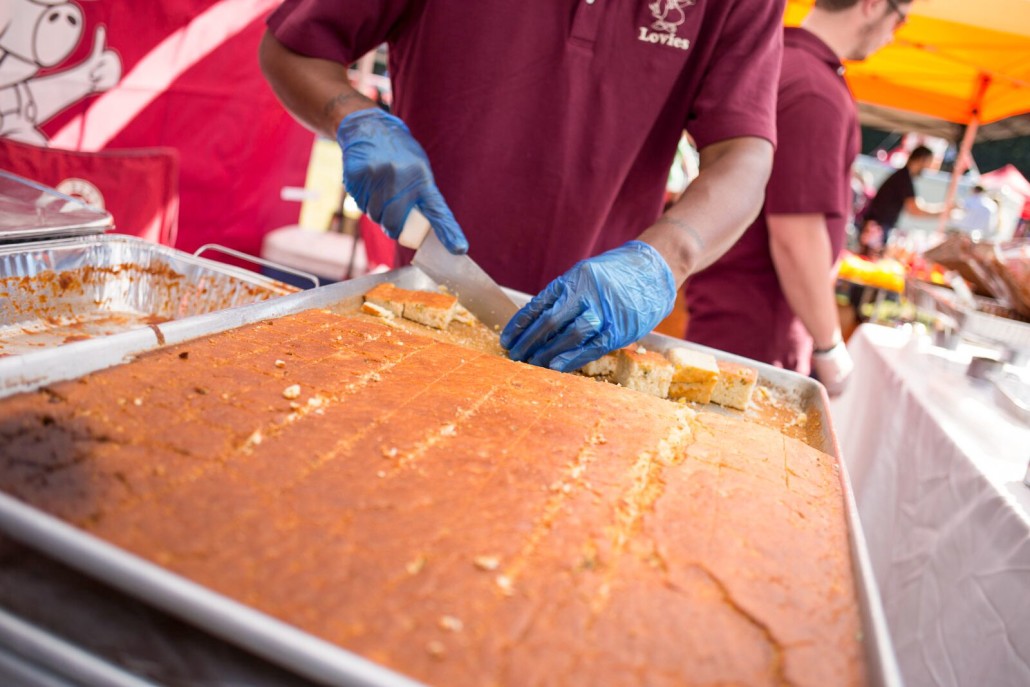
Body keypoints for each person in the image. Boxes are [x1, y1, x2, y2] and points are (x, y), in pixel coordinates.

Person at [259, 1, 786, 372]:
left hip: (595, 348)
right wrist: (354, 119)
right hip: (418, 316)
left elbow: (743, 154)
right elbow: (295, 46)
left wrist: (666, 257)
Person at [683, 0, 910, 395]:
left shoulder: (776, 61)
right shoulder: (814, 88)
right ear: (873, 6)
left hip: (730, 316)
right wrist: (829, 345)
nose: (893, 35)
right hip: (756, 338)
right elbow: (796, 236)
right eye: (900, 21)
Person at [859, 144, 944, 254]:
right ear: (921, 160)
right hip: (876, 228)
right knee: (868, 262)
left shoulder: (902, 176)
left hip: (877, 227)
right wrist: (943, 212)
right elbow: (915, 209)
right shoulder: (903, 179)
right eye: (928, 163)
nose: (927, 168)